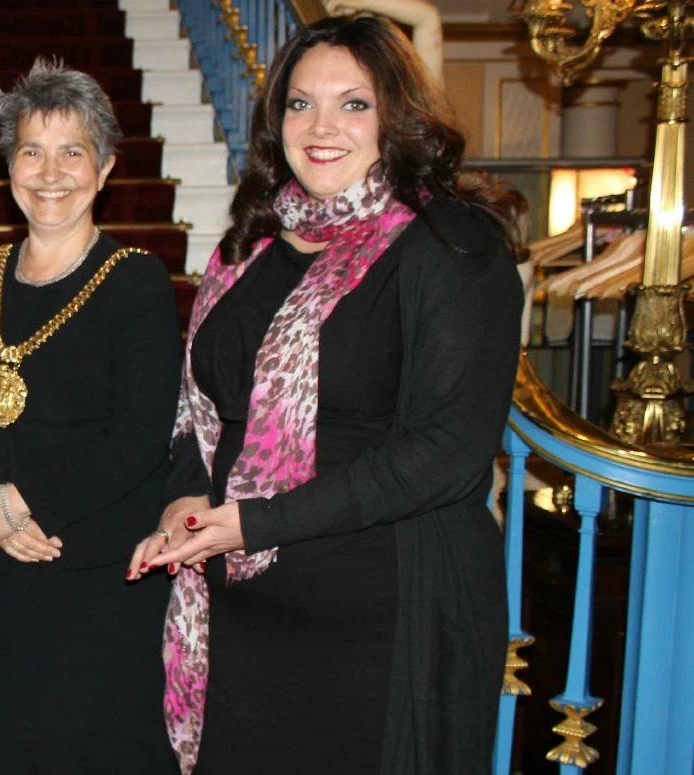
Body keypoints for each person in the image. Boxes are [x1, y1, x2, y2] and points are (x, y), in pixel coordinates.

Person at [129, 16, 524, 774]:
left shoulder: (450, 243)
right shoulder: (248, 247)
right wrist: (183, 505)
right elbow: (207, 416)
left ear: (398, 114)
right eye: (299, 103)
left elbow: (448, 450)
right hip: (243, 617)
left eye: (353, 104)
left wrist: (256, 522)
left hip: (382, 625)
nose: (320, 127)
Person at [0, 58, 181, 772]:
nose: (50, 172)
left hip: (97, 570)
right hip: (1, 571)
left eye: (72, 151)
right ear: (8, 167)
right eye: (31, 151)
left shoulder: (136, 279)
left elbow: (139, 436)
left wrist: (22, 500)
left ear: (104, 167)